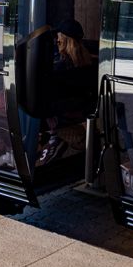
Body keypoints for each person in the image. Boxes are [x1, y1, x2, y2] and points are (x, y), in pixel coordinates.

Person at [36, 18, 94, 167]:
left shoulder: (59, 66)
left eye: (58, 35)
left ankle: (51, 140)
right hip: (78, 113)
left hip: (60, 118)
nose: (56, 39)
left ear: (64, 38)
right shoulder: (87, 62)